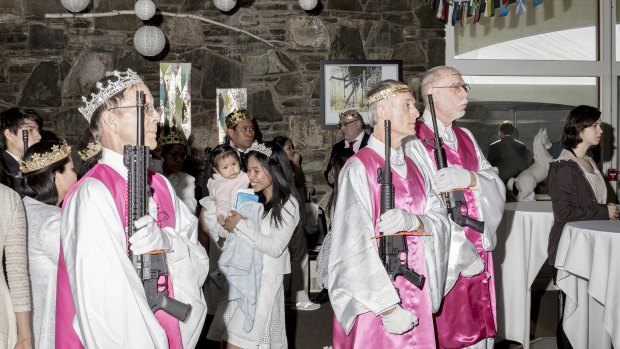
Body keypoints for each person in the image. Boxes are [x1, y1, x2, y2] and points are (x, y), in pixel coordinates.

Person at [57, 69, 209, 348]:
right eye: (145, 107)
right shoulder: (92, 194)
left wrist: (168, 244)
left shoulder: (160, 185)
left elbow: (198, 261)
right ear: (112, 120)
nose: (158, 118)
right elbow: (106, 308)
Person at [329, 80, 455, 348]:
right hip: (377, 297)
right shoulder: (358, 168)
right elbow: (351, 244)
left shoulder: (415, 165)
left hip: (416, 289)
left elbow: (441, 217)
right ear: (383, 113)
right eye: (407, 105)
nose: (417, 113)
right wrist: (387, 308)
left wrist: (416, 222)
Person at [405, 65, 506, 348]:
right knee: (448, 329)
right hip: (447, 255)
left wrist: (471, 179)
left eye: (465, 87)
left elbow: (493, 180)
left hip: (478, 246)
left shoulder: (467, 137)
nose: (465, 94)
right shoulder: (412, 141)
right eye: (456, 87)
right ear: (431, 95)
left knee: (478, 326)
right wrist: (463, 252)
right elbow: (421, 204)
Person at [205, 141, 300, 348]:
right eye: (248, 170)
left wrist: (240, 226)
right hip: (242, 279)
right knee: (227, 339)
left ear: (274, 170)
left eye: (257, 170)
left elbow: (275, 248)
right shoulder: (250, 197)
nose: (250, 176)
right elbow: (233, 235)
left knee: (239, 343)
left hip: (264, 282)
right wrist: (223, 223)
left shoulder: (288, 203)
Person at [547, 105, 618, 349]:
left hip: (589, 247)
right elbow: (563, 213)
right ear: (579, 129)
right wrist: (604, 211)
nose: (601, 130)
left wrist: (606, 208)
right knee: (573, 314)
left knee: (591, 314)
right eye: (595, 125)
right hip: (570, 251)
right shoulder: (563, 166)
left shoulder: (588, 160)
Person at [17, 139, 77, 349]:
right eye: (71, 169)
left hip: (27, 316)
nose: (76, 175)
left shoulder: (24, 207)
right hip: (51, 320)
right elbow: (79, 267)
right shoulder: (53, 222)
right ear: (57, 177)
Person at [272, 136, 319, 310]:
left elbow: (298, 183)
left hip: (293, 219)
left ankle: (289, 295)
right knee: (299, 258)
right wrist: (298, 163)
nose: (293, 151)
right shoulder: (284, 167)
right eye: (289, 148)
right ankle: (299, 296)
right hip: (291, 220)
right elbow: (296, 180)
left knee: (292, 258)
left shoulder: (283, 167)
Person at [0, 183, 32, 349]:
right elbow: (17, 272)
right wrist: (25, 336)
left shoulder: (9, 199)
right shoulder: (8, 198)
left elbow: (17, 271)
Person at [202, 109, 255, 197]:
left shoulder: (258, 153)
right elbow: (207, 192)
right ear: (231, 132)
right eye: (244, 129)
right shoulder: (218, 156)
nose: (250, 133)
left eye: (251, 129)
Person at [152, 126, 197, 212]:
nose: (179, 160)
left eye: (182, 156)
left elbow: (190, 209)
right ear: (163, 155)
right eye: (174, 154)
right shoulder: (151, 174)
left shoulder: (187, 179)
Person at [323, 109, 370, 187]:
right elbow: (329, 171)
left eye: (345, 124)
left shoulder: (371, 143)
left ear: (358, 124)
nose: (342, 129)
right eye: (340, 125)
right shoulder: (337, 147)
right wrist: (330, 178)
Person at [206, 144, 250, 223]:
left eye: (233, 164)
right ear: (216, 170)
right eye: (225, 167)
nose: (232, 169)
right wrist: (222, 214)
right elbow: (223, 201)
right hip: (229, 213)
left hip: (245, 208)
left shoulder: (241, 174)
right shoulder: (221, 185)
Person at [0, 108, 43, 189]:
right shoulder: (3, 170)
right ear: (9, 134)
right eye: (30, 130)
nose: (39, 136)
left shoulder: (37, 165)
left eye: (38, 130)